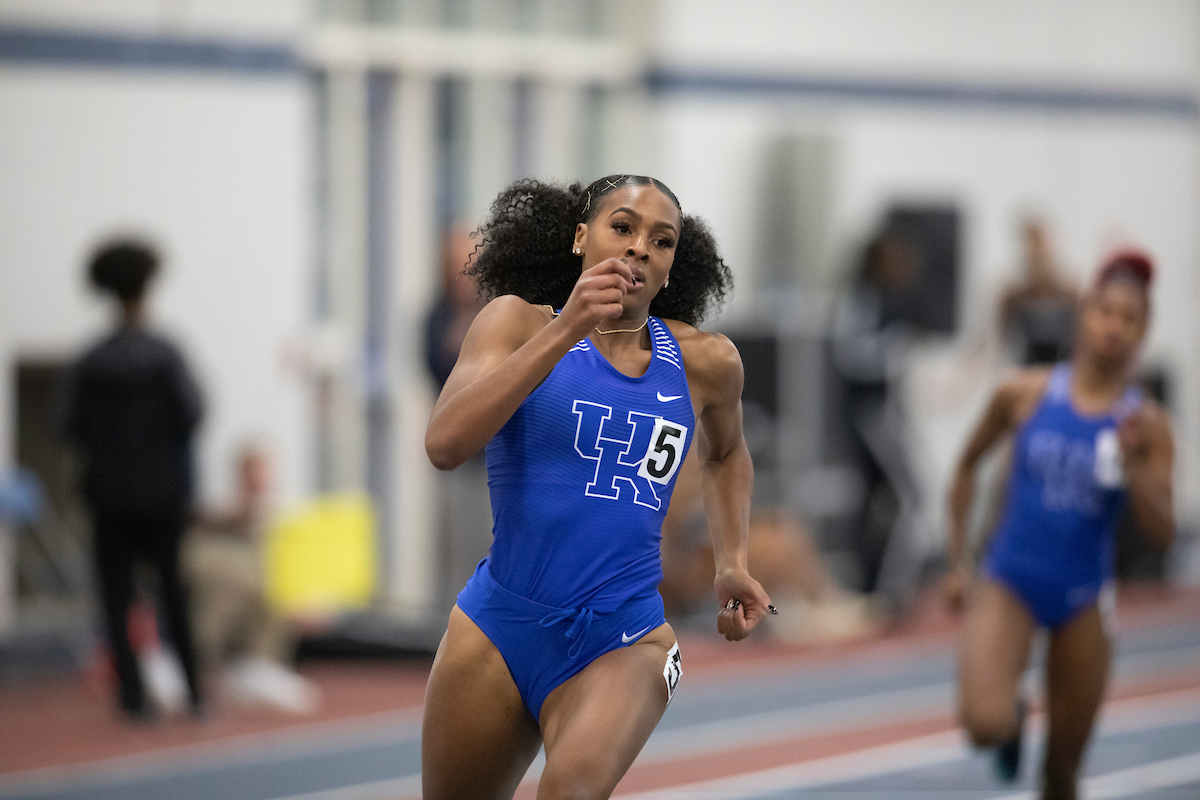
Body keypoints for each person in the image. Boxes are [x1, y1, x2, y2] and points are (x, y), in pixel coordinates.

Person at [422, 175, 773, 799]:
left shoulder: (707, 364)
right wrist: (568, 328)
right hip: (498, 627)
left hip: (624, 635)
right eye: (623, 228)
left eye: (661, 241)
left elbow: (725, 454)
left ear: (671, 266)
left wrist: (732, 560)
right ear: (581, 239)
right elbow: (446, 444)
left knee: (573, 791)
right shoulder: (514, 323)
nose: (640, 248)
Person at [944, 252, 1174, 799]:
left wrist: (1138, 465)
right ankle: (1014, 719)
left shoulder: (1148, 425)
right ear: (1083, 315)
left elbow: (1165, 534)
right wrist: (959, 563)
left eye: (1130, 317)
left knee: (1060, 776)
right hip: (1009, 579)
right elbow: (965, 467)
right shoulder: (1023, 393)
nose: (1114, 326)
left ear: (1143, 332)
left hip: (1084, 595)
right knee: (984, 724)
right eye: (1104, 311)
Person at [57, 238, 205, 720]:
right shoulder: (165, 355)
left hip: (110, 497)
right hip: (163, 496)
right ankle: (195, 693)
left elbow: (68, 426)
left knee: (116, 596)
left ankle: (133, 699)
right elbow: (194, 413)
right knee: (173, 593)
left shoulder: (90, 360)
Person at [185, 443, 319, 714]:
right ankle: (210, 670)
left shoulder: (283, 527)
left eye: (263, 471)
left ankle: (257, 671)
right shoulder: (215, 528)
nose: (258, 480)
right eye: (252, 471)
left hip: (260, 644)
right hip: (223, 637)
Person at [1000, 217, 1079, 366]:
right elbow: (1000, 341)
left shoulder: (1069, 290)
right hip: (1029, 365)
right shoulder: (1013, 294)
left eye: (1039, 242)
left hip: (1061, 364)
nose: (1035, 250)